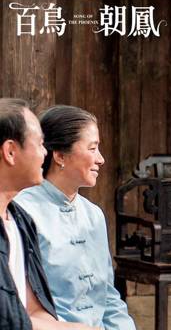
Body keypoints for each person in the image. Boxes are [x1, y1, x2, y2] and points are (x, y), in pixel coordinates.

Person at [14, 105, 135, 329]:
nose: (101, 159)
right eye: (92, 148)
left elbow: (108, 296)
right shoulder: (22, 213)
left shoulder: (94, 215)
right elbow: (18, 305)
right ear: (60, 156)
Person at [0, 99, 95, 330]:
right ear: (11, 152)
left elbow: (33, 310)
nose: (46, 154)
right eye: (41, 144)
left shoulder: (20, 220)